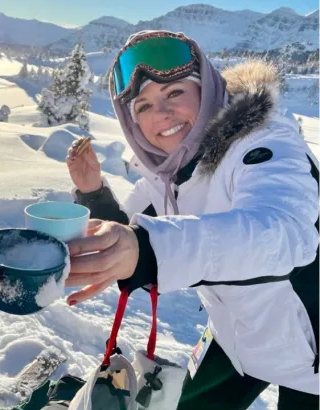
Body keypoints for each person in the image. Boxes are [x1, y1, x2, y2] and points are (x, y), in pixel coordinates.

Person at [65, 31, 319, 409]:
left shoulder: (264, 146)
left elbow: (283, 232)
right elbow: (134, 234)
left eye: (174, 94)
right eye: (143, 107)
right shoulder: (169, 168)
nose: (161, 115)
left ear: (206, 89)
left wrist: (148, 248)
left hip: (310, 348)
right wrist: (93, 193)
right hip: (237, 332)